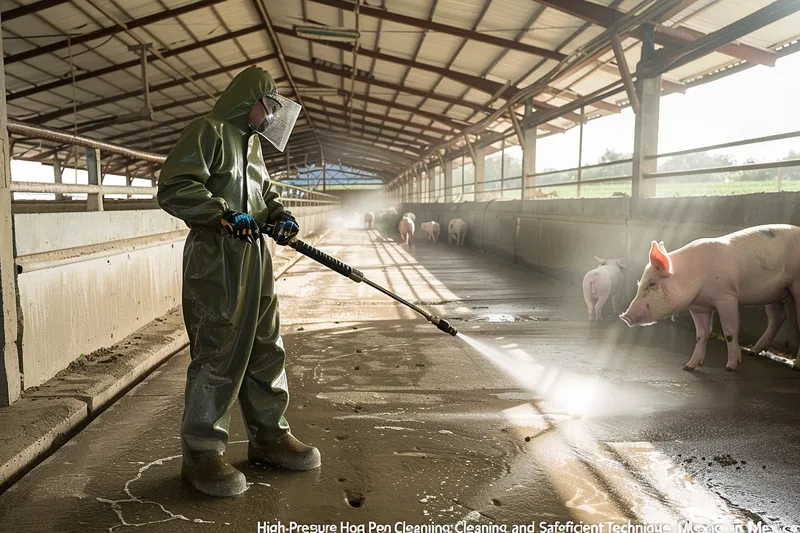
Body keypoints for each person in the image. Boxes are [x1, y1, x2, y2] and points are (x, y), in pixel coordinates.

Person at [157, 65, 319, 498]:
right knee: (219, 349)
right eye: (268, 107)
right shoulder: (207, 131)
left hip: (254, 256)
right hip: (217, 258)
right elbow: (174, 186)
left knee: (266, 346)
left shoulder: (252, 148)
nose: (270, 118)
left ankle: (270, 435)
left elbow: (265, 195)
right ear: (252, 101)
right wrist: (222, 213)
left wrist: (280, 215)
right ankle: (203, 452)